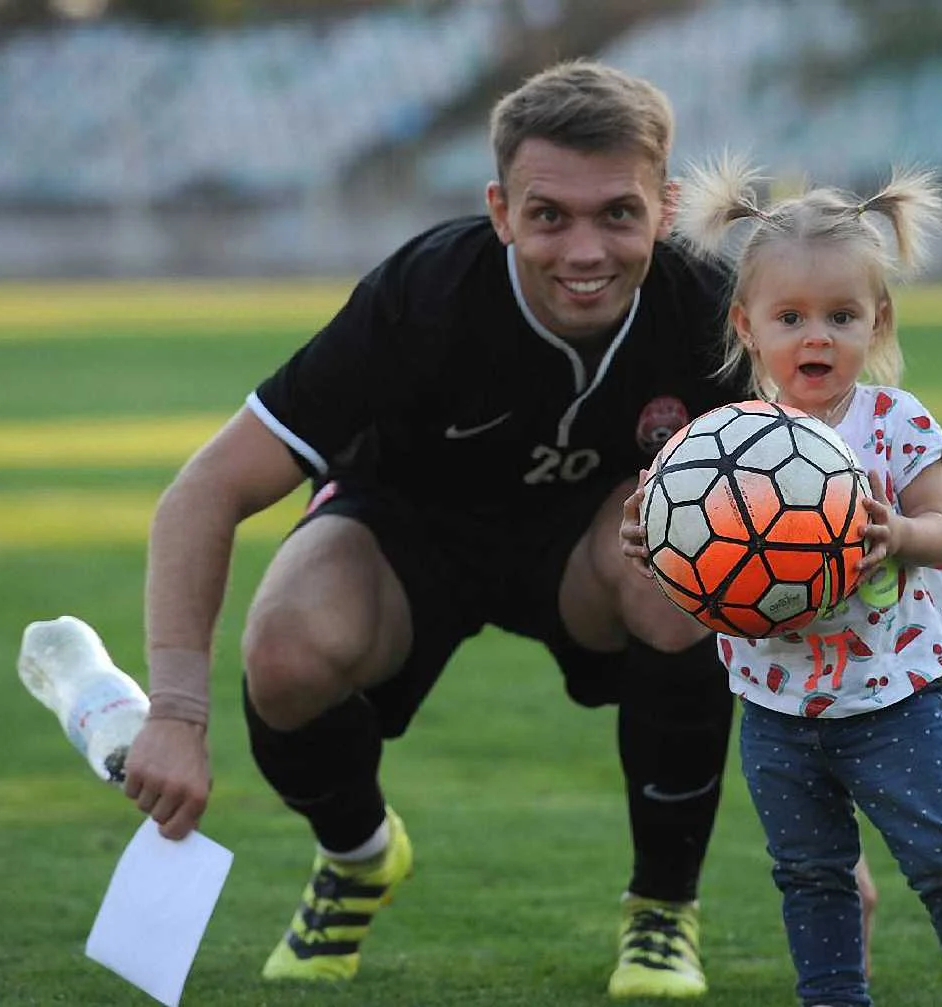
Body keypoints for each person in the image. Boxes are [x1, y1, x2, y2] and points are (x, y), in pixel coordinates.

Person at [123, 59, 753, 1000]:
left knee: (687, 556)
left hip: (595, 549)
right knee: (286, 651)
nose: (585, 249)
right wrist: (175, 716)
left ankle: (663, 908)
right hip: (406, 531)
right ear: (500, 211)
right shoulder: (422, 295)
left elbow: (803, 528)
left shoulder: (712, 312)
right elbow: (203, 491)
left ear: (665, 209)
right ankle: (358, 855)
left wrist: (821, 826)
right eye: (550, 216)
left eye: (618, 213)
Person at [622, 156, 942, 1007]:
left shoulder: (896, 421)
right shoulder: (724, 443)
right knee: (811, 873)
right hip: (775, 706)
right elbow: (700, 564)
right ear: (746, 325)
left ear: (878, 321)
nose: (817, 337)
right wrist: (655, 539)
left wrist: (898, 533)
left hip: (892, 696)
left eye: (841, 316)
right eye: (792, 317)